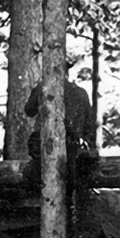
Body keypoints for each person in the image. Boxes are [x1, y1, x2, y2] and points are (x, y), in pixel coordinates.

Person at [24, 62, 97, 193]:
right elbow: (89, 125)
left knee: (37, 176)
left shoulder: (44, 88)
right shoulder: (81, 93)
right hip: (73, 147)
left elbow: (29, 110)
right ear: (67, 73)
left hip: (47, 144)